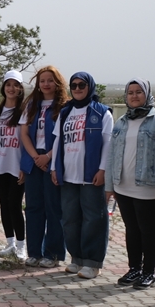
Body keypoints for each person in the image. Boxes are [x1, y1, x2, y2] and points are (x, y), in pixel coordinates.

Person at [105, 79, 155, 289]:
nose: (134, 96)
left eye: (139, 92)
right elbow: (111, 156)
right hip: (123, 186)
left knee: (148, 230)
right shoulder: (122, 122)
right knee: (132, 230)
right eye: (130, 93)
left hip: (149, 188)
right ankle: (134, 268)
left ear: (147, 95)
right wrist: (110, 186)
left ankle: (149, 272)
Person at [50, 72, 113, 279]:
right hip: (68, 175)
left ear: (90, 86)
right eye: (74, 85)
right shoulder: (65, 113)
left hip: (91, 176)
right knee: (69, 219)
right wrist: (54, 168)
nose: (77, 89)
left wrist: (103, 170)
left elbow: (108, 145)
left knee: (94, 219)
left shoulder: (102, 112)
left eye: (81, 85)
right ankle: (76, 258)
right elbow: (58, 142)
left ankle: (92, 262)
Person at [20, 65, 68, 267]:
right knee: (33, 208)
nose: (46, 84)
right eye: (42, 81)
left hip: (52, 160)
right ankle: (34, 252)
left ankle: (53, 254)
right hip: (33, 161)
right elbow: (23, 133)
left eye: (50, 80)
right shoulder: (32, 105)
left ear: (57, 83)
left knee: (53, 208)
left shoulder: (64, 107)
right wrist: (35, 156)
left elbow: (63, 137)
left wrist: (48, 156)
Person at [0, 71, 27, 261]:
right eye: (8, 84)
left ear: (20, 88)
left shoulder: (24, 113)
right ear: (3, 88)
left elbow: (27, 141)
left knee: (14, 204)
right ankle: (10, 243)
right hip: (0, 165)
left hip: (17, 166)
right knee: (4, 205)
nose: (11, 88)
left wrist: (25, 167)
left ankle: (22, 245)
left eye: (15, 85)